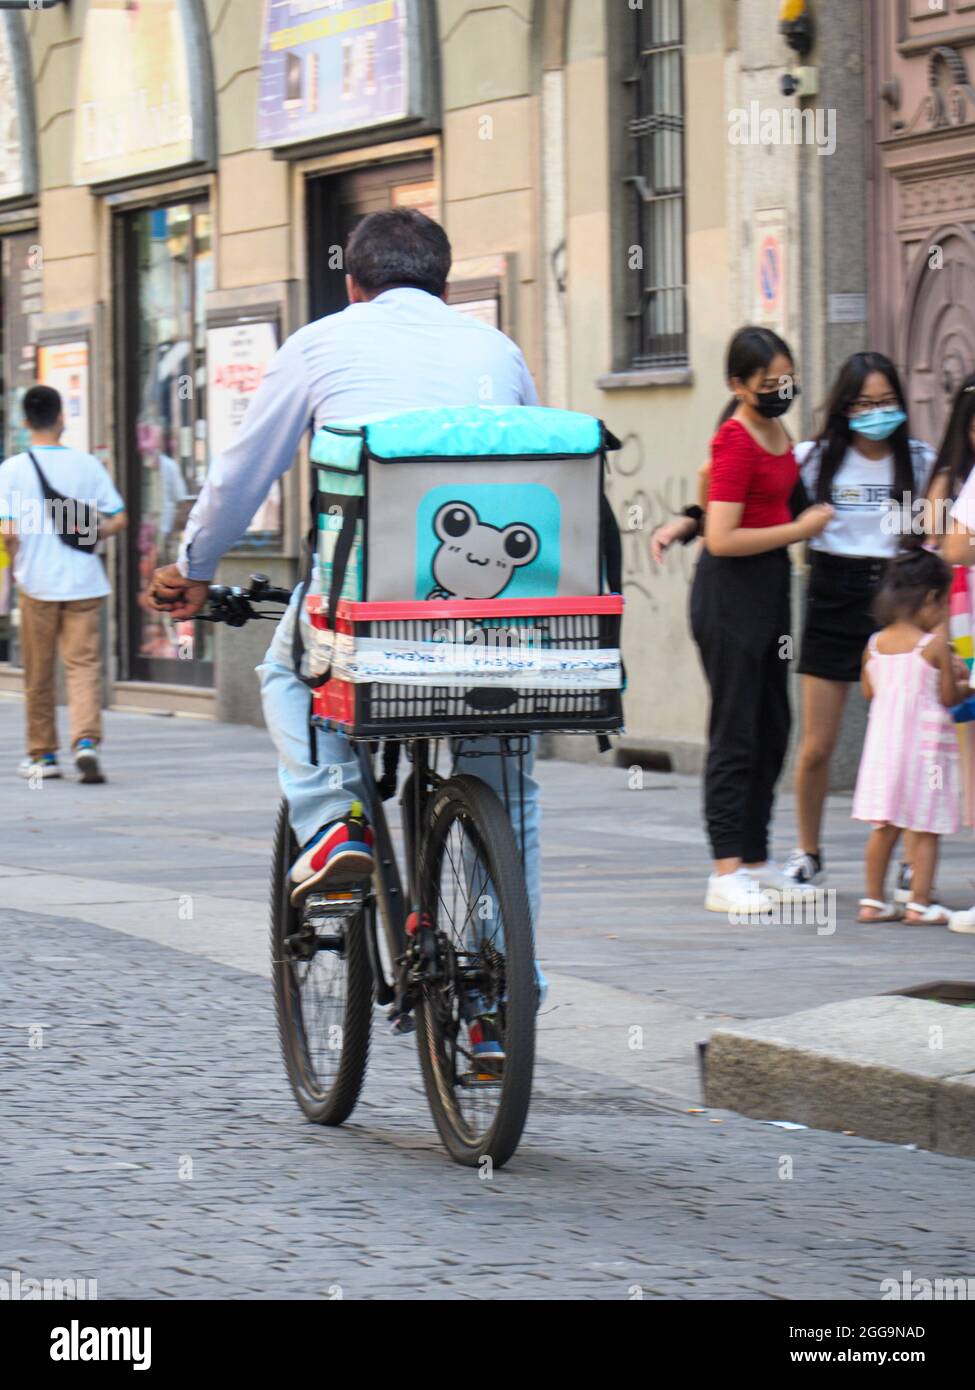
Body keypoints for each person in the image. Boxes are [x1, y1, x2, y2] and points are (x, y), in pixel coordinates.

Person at [147, 209, 544, 1051]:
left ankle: (333, 823)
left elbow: (242, 471)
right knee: (504, 783)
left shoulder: (321, 342)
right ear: (444, 286)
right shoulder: (496, 351)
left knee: (289, 672)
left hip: (365, 602)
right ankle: (501, 998)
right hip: (496, 612)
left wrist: (195, 565)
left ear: (353, 285)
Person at [654, 352, 938, 899]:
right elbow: (728, 501)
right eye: (865, 403)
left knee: (793, 729)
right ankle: (785, 857)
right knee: (804, 742)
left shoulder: (916, 460)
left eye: (887, 402)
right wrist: (689, 521)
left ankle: (893, 860)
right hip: (830, 594)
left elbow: (752, 501)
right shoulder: (809, 455)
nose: (877, 413)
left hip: (896, 598)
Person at [690, 326, 833, 914]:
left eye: (786, 379)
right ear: (737, 385)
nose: (780, 390)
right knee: (736, 733)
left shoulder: (778, 431)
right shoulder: (735, 440)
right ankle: (724, 872)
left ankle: (755, 858)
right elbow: (720, 537)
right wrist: (799, 532)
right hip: (730, 598)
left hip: (770, 598)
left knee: (773, 728)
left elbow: (794, 499)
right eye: (768, 382)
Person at [0, 384, 127, 783]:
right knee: (83, 666)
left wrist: (14, 555)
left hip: (36, 583)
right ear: (61, 419)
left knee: (38, 673)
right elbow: (119, 517)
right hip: (85, 583)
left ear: (24, 423)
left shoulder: (11, 470)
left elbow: (7, 531)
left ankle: (43, 756)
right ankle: (85, 742)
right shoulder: (87, 465)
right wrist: (95, 534)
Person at [852, 547, 966, 924]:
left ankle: (872, 900)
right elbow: (949, 698)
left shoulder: (873, 646)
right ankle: (919, 903)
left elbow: (871, 693)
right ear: (932, 598)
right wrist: (966, 683)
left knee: (883, 826)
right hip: (927, 752)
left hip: (884, 752)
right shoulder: (932, 646)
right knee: (927, 825)